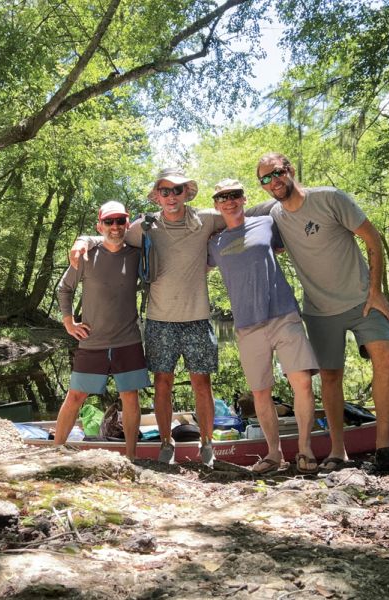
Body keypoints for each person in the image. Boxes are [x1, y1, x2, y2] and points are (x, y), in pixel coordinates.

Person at [70, 169, 270, 466]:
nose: (171, 196)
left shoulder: (206, 219)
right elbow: (112, 234)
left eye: (177, 190)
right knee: (162, 382)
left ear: (186, 193)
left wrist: (286, 203)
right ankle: (166, 443)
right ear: (157, 196)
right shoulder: (146, 226)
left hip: (198, 319)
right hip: (159, 320)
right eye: (165, 191)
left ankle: (206, 443)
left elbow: (241, 212)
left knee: (202, 383)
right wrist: (83, 239)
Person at [256, 152, 389, 472]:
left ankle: (384, 447)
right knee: (331, 377)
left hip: (363, 299)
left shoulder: (330, 198)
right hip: (320, 311)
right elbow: (232, 215)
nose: (274, 181)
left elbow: (373, 239)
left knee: (386, 358)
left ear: (290, 170)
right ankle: (339, 451)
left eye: (277, 173)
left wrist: (376, 290)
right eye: (265, 178)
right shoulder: (274, 215)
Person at [207, 179, 319, 475]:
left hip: (283, 314)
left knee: (303, 383)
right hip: (247, 326)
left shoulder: (266, 224)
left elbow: (294, 222)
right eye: (222, 197)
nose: (229, 201)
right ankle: (274, 453)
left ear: (244, 199)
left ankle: (305, 449)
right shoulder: (213, 243)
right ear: (216, 204)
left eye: (234, 195)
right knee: (260, 392)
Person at [55, 201, 151, 460]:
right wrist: (68, 322)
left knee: (130, 397)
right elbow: (64, 289)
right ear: (100, 226)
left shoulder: (136, 254)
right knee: (76, 395)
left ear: (127, 224)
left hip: (128, 340)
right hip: (92, 341)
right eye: (109, 222)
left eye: (120, 221)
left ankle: (132, 457)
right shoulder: (85, 256)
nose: (115, 227)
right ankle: (55, 451)